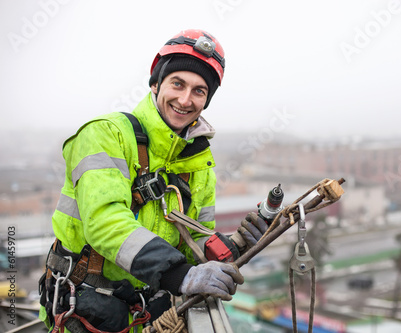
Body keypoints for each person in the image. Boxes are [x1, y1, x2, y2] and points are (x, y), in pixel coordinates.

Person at [39, 29, 269, 332]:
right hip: (84, 309)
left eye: (199, 91)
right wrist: (179, 275)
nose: (185, 100)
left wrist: (230, 247)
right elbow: (105, 221)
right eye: (178, 83)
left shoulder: (199, 165)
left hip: (146, 315)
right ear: (156, 83)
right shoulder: (106, 136)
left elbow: (193, 245)